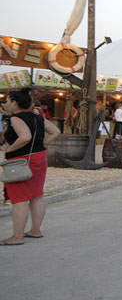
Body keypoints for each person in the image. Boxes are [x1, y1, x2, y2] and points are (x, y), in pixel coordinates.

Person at [1, 88, 60, 245]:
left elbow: (25, 137)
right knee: (36, 195)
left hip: (21, 160)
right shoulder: (38, 117)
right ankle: (35, 230)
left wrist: (9, 149)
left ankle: (17, 236)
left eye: (7, 101)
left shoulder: (15, 118)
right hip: (39, 158)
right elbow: (55, 131)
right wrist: (42, 144)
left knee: (19, 198)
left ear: (15, 102)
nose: (5, 104)